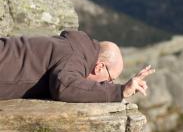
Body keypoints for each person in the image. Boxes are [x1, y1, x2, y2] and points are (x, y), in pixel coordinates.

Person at [0, 30, 155, 103]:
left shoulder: (78, 47)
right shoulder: (75, 57)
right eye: (109, 80)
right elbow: (64, 86)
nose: (107, 84)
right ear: (99, 67)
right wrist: (119, 91)